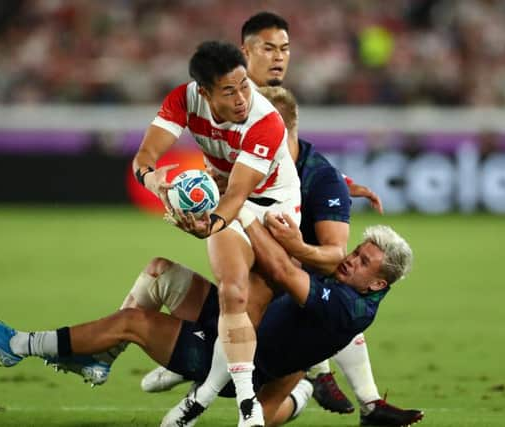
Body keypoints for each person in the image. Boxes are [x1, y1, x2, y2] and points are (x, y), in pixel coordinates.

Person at [143, 12, 422, 427]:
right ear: (246, 52)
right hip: (239, 212)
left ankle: (324, 384)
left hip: (269, 214)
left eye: (285, 49)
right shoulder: (230, 97)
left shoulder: (267, 106)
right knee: (253, 299)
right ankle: (302, 379)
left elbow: (292, 154)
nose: (279, 58)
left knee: (315, 294)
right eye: (269, 48)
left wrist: (341, 183)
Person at [0, 222, 414, 427]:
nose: (349, 259)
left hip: (233, 355)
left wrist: (240, 212)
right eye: (356, 251)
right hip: (236, 320)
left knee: (133, 322)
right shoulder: (356, 295)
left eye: (361, 261)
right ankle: (99, 360)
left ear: (377, 280)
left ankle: (21, 344)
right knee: (160, 271)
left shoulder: (343, 305)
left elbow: (282, 269)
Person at [132, 39, 301, 426]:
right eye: (230, 90)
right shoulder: (183, 100)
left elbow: (239, 195)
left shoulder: (265, 119)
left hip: (273, 210)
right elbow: (144, 159)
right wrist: (156, 184)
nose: (243, 96)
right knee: (233, 291)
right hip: (228, 201)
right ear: (204, 92)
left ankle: (211, 392)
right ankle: (248, 407)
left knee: (271, 304)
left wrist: (208, 224)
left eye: (245, 84)